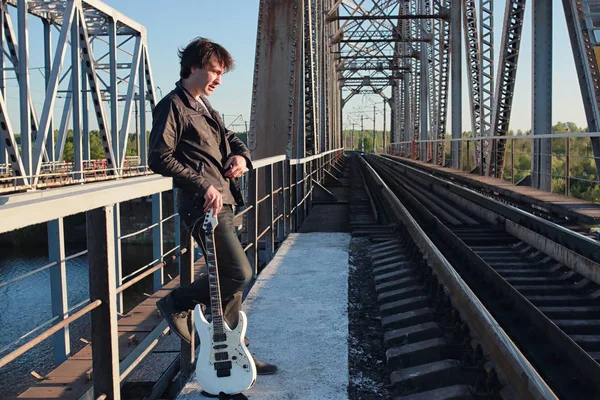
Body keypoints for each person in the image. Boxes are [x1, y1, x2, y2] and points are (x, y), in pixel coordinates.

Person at [148, 37, 277, 375]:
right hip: (200, 206)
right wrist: (202, 183)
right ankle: (176, 302)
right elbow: (159, 157)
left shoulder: (205, 106)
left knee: (229, 282)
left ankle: (237, 353)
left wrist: (241, 156)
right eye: (215, 71)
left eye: (221, 73)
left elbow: (231, 139)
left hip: (225, 202)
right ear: (193, 67)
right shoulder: (174, 105)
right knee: (239, 272)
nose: (219, 79)